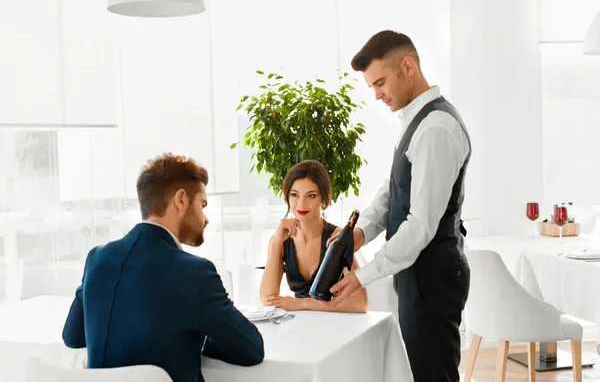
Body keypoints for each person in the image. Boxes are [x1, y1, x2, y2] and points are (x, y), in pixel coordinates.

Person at [325, 30, 472, 382]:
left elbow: (420, 225)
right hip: (419, 275)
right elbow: (393, 191)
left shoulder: (436, 128)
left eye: (380, 83)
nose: (376, 95)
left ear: (407, 66)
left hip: (433, 276)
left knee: (432, 375)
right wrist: (360, 233)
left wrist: (362, 277)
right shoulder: (416, 121)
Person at [62, 153, 264, 382]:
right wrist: (200, 333)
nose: (206, 218)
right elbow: (252, 349)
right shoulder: (195, 273)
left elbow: (73, 336)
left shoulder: (97, 258)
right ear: (181, 200)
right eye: (202, 204)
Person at [259, 160, 368, 313]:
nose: (301, 204)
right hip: (300, 324)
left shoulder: (337, 238)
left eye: (311, 196)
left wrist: (301, 303)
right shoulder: (281, 241)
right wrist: (276, 242)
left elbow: (360, 304)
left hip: (337, 324)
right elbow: (267, 299)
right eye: (294, 195)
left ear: (323, 199)